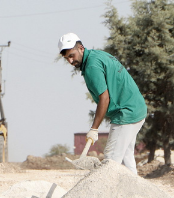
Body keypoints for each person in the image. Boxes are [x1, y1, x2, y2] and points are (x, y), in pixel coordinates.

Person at [58, 33, 147, 173]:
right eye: (67, 58)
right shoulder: (95, 55)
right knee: (125, 158)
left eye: (72, 55)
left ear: (81, 48)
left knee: (111, 160)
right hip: (136, 108)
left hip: (126, 113)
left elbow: (104, 98)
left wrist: (94, 128)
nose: (70, 61)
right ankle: (134, 193)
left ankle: (111, 195)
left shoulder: (91, 66)